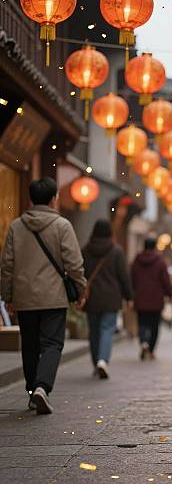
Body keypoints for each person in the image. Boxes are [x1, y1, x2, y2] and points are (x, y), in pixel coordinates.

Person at [0, 177, 86, 414]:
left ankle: (32, 390)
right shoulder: (62, 226)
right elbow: (74, 263)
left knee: (29, 345)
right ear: (53, 199)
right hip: (53, 296)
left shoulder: (17, 226)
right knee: (52, 343)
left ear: (31, 199)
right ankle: (42, 387)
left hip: (24, 297)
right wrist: (81, 289)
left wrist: (7, 296)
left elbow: (7, 264)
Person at [82, 220, 132, 379]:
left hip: (92, 298)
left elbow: (80, 273)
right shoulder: (116, 251)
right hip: (111, 298)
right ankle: (102, 360)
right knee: (107, 329)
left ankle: (96, 361)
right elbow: (123, 276)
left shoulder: (85, 250)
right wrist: (129, 296)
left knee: (94, 331)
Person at [131, 237, 172, 359]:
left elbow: (132, 278)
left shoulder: (137, 260)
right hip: (156, 300)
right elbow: (166, 280)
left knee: (142, 322)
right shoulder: (160, 261)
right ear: (155, 246)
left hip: (140, 298)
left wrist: (132, 294)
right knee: (154, 326)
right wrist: (169, 293)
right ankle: (151, 350)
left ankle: (144, 341)